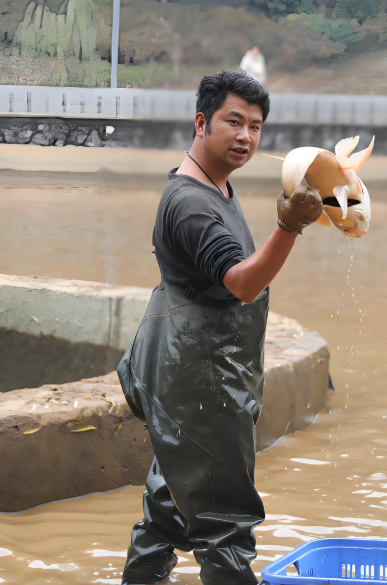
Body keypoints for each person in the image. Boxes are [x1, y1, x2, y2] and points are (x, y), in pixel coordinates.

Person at [118, 70, 323, 585]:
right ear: (201, 122)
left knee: (168, 507)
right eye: (234, 122)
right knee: (225, 525)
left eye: (255, 127)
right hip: (198, 383)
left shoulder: (217, 187)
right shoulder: (190, 202)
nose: (245, 137)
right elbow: (241, 284)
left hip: (192, 372)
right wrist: (289, 226)